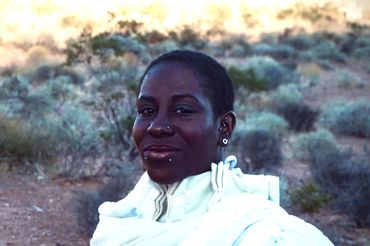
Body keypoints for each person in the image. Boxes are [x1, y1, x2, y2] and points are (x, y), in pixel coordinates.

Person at [90, 50, 333, 245]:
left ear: (224, 127)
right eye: (146, 111)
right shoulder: (120, 221)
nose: (156, 127)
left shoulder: (267, 234)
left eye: (182, 110)